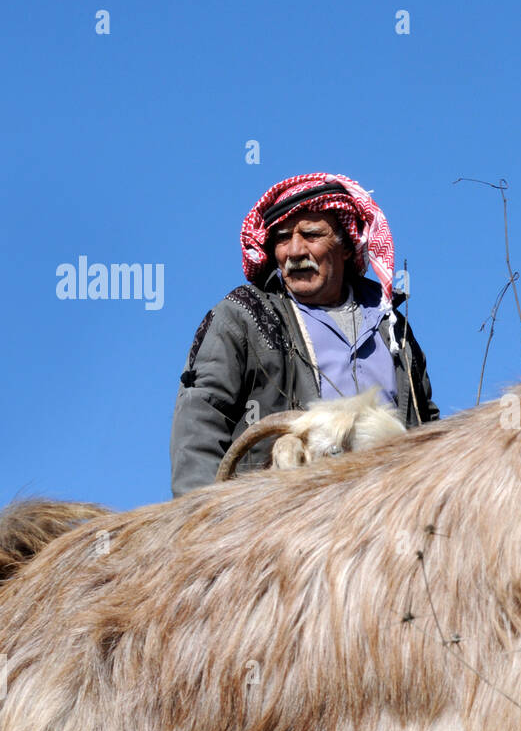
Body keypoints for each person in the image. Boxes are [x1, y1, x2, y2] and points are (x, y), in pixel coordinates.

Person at [170, 173, 438, 497]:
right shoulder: (244, 318)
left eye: (311, 234)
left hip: (389, 516)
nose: (295, 251)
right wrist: (201, 523)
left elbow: (427, 424)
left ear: (345, 245)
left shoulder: (392, 328)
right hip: (284, 520)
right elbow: (201, 419)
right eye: (283, 239)